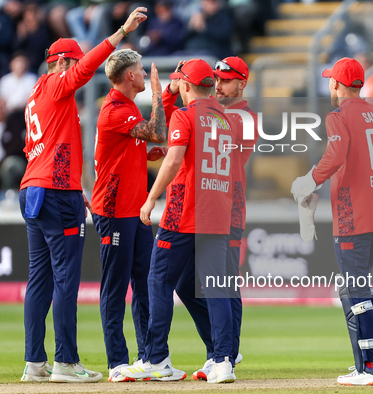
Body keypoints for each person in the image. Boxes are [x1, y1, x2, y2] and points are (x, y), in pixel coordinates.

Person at [18, 7, 147, 383]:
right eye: (73, 63)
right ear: (61, 63)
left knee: (38, 279)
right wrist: (121, 31)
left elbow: (44, 148)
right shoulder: (57, 84)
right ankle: (66, 362)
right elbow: (86, 67)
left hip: (36, 190)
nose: (78, 71)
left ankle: (34, 362)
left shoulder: (37, 95)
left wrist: (78, 187)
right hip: (55, 195)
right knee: (65, 280)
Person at [291, 57, 373, 386]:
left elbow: (336, 154)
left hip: (351, 216)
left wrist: (310, 180)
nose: (329, 84)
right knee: (357, 283)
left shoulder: (339, 116)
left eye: (331, 80)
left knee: (352, 288)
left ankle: (368, 367)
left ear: (337, 84)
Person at [120, 59, 240, 384]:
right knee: (214, 288)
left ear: (186, 86)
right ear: (212, 87)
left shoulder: (185, 116)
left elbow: (174, 159)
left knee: (158, 281)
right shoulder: (225, 120)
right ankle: (224, 360)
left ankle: (156, 357)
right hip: (217, 213)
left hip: (182, 212)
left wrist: (150, 198)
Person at [90, 48, 170, 382]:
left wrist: (148, 152)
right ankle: (117, 362)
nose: (142, 72)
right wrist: (158, 93)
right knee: (115, 286)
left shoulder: (126, 107)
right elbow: (159, 131)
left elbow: (139, 144)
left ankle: (149, 357)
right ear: (130, 77)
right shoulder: (114, 109)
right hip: (114, 211)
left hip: (135, 210)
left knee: (144, 283)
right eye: (140, 69)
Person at [187, 56, 255, 381]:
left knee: (223, 281)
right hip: (212, 202)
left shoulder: (243, 117)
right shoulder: (218, 111)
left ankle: (225, 352)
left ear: (242, 82)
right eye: (215, 78)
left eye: (226, 79)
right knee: (210, 281)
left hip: (230, 205)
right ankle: (222, 349)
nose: (219, 84)